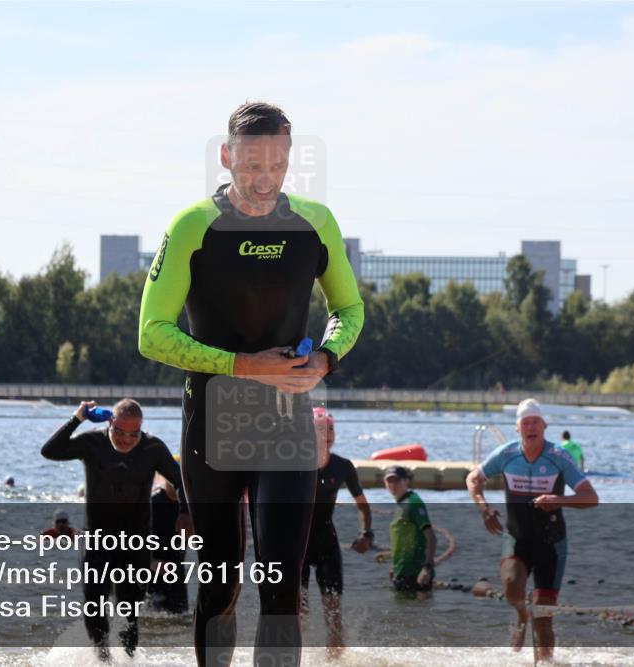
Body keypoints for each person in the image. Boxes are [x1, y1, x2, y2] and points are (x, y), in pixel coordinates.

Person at [138, 101, 364, 667]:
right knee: (219, 585)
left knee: (281, 590)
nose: (265, 180)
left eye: (278, 166)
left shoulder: (315, 223)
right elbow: (151, 333)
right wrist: (245, 365)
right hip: (210, 425)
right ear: (226, 156)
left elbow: (350, 309)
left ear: (290, 161)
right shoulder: (193, 225)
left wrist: (328, 358)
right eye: (252, 166)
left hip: (286, 425)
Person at [40, 398, 190, 660]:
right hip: (98, 541)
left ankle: (128, 661)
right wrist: (77, 419)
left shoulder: (152, 448)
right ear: (110, 422)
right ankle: (102, 659)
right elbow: (49, 450)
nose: (126, 439)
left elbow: (181, 481)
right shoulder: (92, 443)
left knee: (129, 612)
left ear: (141, 429)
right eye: (120, 431)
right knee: (94, 607)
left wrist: (185, 513)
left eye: (133, 434)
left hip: (136, 543)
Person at [466, 398, 599, 663]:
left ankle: (544, 662)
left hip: (552, 545)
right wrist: (484, 509)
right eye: (525, 422)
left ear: (544, 426)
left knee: (544, 619)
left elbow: (591, 497)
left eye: (535, 422)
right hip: (517, 539)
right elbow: (473, 479)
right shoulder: (506, 454)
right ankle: (520, 613)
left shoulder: (559, 456)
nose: (531, 427)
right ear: (518, 429)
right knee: (512, 587)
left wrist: (558, 500)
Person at [301, 407, 372, 658]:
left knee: (333, 609)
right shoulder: (295, 463)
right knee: (300, 610)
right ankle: (300, 659)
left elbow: (362, 503)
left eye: (331, 429)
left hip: (326, 544)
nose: (327, 434)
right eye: (321, 429)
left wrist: (366, 533)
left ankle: (335, 660)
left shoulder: (342, 466)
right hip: (298, 544)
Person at [376, 466, 436, 596]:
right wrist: (392, 557)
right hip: (402, 571)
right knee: (403, 613)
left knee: (414, 613)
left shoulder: (413, 503)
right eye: (389, 481)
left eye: (396, 480)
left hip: (415, 574)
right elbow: (408, 540)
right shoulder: (401, 504)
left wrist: (427, 568)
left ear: (406, 481)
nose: (392, 484)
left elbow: (431, 537)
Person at [147, 473, 189, 614]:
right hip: (152, 570)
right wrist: (151, 561)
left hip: (176, 569)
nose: (176, 486)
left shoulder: (186, 508)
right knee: (150, 618)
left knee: (181, 618)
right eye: (172, 482)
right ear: (164, 482)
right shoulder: (153, 504)